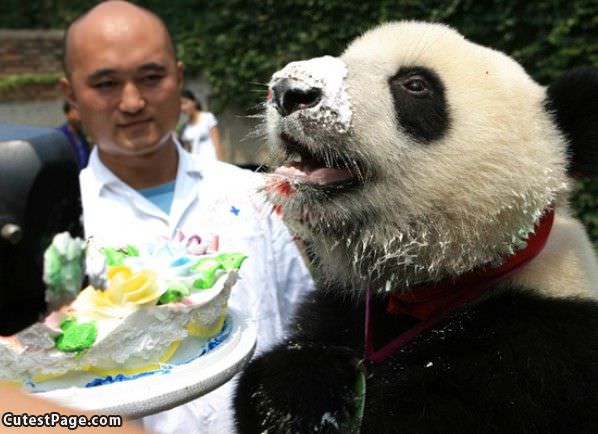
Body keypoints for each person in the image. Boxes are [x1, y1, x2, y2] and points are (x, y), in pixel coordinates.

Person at [59, 1, 314, 433]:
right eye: (105, 83)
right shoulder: (63, 230)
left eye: (151, 77)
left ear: (178, 77)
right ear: (71, 95)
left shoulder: (249, 193)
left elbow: (300, 324)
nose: (133, 102)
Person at [180, 89, 224, 161]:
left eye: (185, 103)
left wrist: (222, 166)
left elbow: (217, 144)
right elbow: (187, 152)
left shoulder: (208, 118)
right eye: (180, 105)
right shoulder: (185, 128)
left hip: (212, 164)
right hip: (196, 167)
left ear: (194, 102)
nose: (183, 108)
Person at [57, 101, 90, 170]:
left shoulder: (83, 136)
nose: (79, 113)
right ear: (67, 114)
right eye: (75, 109)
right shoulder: (59, 135)